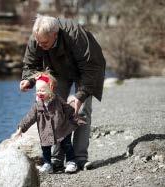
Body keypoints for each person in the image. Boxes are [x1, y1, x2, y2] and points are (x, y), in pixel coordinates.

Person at [19, 14, 106, 170]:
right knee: (54, 109)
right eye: (38, 41)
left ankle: (79, 158)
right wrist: (29, 80)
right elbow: (30, 66)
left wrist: (80, 96)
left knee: (82, 110)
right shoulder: (37, 38)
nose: (40, 44)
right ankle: (56, 158)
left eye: (44, 43)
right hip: (57, 70)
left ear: (55, 34)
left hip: (86, 70)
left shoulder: (75, 35)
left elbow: (90, 69)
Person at [13, 72, 85, 173]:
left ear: (50, 89)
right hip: (45, 131)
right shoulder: (37, 105)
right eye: (38, 91)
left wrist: (76, 116)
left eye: (43, 90)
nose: (39, 93)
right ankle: (47, 164)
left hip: (62, 128)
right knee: (45, 148)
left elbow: (67, 109)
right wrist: (21, 128)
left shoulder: (57, 100)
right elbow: (29, 117)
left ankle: (71, 162)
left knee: (67, 145)